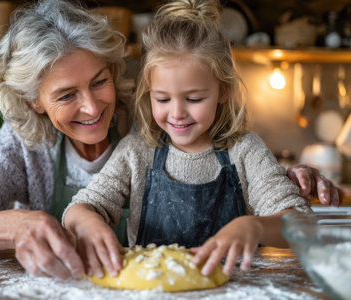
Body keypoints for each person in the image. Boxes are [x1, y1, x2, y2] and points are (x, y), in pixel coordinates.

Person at [0, 0, 341, 280]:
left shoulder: (147, 120)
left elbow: (217, 163)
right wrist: (21, 226)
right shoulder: (26, 143)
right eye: (67, 95)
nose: (92, 108)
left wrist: (280, 183)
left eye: (100, 81)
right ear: (32, 101)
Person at [62, 0, 325, 280]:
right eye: (162, 99)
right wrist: (87, 221)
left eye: (194, 98)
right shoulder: (136, 152)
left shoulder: (245, 151)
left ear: (223, 90)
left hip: (233, 292)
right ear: (148, 92)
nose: (177, 113)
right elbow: (77, 210)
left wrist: (255, 227)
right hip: (154, 292)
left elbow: (302, 223)